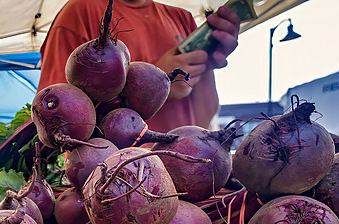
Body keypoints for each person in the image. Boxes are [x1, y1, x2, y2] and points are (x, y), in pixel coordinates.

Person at [38, 0, 241, 132]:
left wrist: (210, 58)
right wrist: (154, 85)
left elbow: (202, 117)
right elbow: (56, 120)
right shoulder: (79, 13)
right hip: (117, 178)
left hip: (183, 169)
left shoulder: (182, 18)